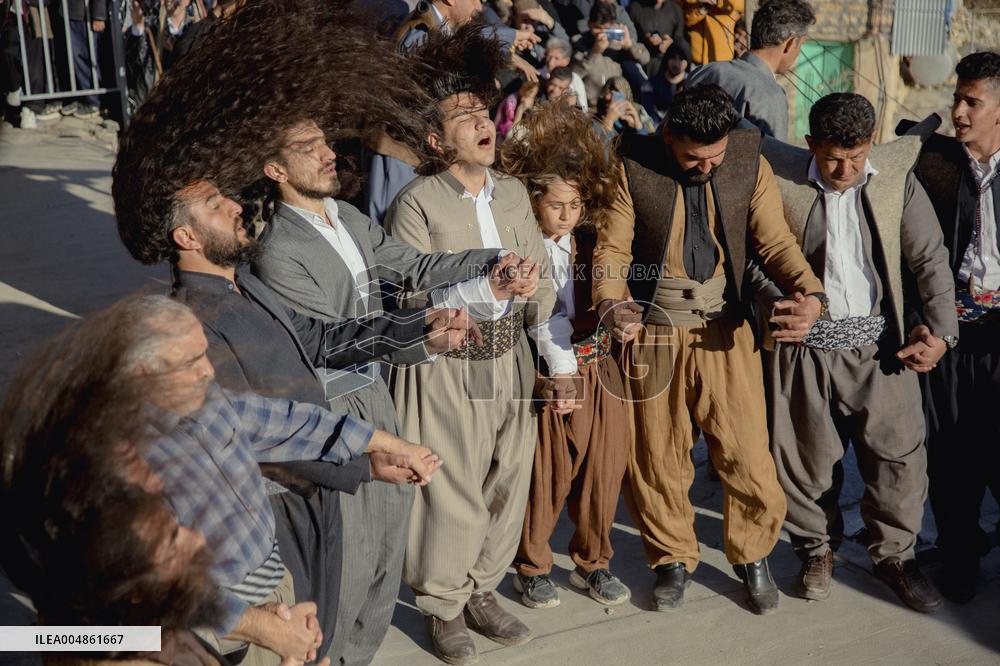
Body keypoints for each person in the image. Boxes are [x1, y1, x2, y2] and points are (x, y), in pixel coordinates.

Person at [252, 117, 516, 664]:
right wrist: (418, 333)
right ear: (275, 171)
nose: (329, 153)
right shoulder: (279, 250)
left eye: (325, 141)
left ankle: (361, 653)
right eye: (308, 149)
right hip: (332, 414)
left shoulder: (345, 216)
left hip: (376, 397)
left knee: (385, 553)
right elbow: (328, 343)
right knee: (349, 562)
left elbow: (415, 267)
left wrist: (491, 263)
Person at [592, 84, 824, 615]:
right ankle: (672, 559)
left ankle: (754, 557)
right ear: (669, 135)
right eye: (695, 158)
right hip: (655, 330)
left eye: (715, 156)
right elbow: (611, 248)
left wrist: (808, 293)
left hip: (726, 327)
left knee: (746, 450)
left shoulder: (747, 159)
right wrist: (612, 306)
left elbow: (775, 242)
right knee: (656, 453)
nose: (707, 167)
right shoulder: (632, 165)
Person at [384, 28, 570, 666]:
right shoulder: (415, 205)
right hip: (447, 362)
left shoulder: (515, 193)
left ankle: (483, 590)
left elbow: (541, 276)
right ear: (436, 142)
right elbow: (409, 294)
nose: (483, 125)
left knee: (506, 477)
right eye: (464, 119)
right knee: (451, 487)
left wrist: (553, 349)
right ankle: (442, 606)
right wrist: (486, 286)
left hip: (510, 356)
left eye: (484, 114)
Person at [760, 93, 957, 613]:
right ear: (810, 145)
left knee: (899, 456)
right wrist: (781, 304)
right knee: (805, 460)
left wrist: (940, 331)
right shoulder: (778, 180)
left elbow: (930, 259)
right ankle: (816, 550)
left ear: (871, 144)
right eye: (831, 158)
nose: (845, 170)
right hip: (805, 348)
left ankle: (895, 557)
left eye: (857, 155)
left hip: (880, 346)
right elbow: (753, 258)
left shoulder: (894, 180)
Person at [500, 100, 633, 610]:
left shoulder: (590, 241)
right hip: (552, 370)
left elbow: (611, 288)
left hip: (601, 367)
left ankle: (594, 563)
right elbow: (543, 318)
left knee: (604, 467)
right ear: (534, 201)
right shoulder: (523, 247)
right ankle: (532, 567)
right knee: (550, 472)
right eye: (557, 205)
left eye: (575, 206)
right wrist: (562, 375)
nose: (567, 215)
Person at [904, 51, 1000, 603]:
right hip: (951, 327)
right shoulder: (935, 166)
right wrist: (924, 323)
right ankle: (961, 555)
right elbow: (910, 257)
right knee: (949, 451)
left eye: (972, 102)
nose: (957, 112)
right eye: (957, 99)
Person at [686, 0, 815, 141]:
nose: (798, 53)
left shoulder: (704, 71)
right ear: (790, 44)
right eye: (800, 45)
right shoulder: (770, 94)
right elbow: (774, 158)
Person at [573, 2, 649, 110]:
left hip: (617, 105)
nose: (602, 34)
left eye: (607, 30)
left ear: (613, 25)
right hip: (591, 108)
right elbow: (574, 75)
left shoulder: (618, 42)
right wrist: (594, 53)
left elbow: (646, 59)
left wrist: (630, 46)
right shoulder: (579, 43)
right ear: (589, 24)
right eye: (598, 28)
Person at [626, 0, 689, 79]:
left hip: (666, 67)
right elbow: (628, 37)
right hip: (640, 62)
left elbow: (679, 38)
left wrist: (670, 44)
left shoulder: (676, 9)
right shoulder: (635, 8)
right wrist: (644, 40)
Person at [679, 0, 743, 66]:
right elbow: (685, 21)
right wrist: (702, 9)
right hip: (696, 60)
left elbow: (740, 5)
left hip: (722, 60)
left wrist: (717, 1)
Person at [541, 38, 587, 110]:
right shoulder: (537, 74)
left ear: (566, 61)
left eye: (556, 58)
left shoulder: (575, 79)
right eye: (549, 56)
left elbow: (583, 109)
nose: (550, 62)